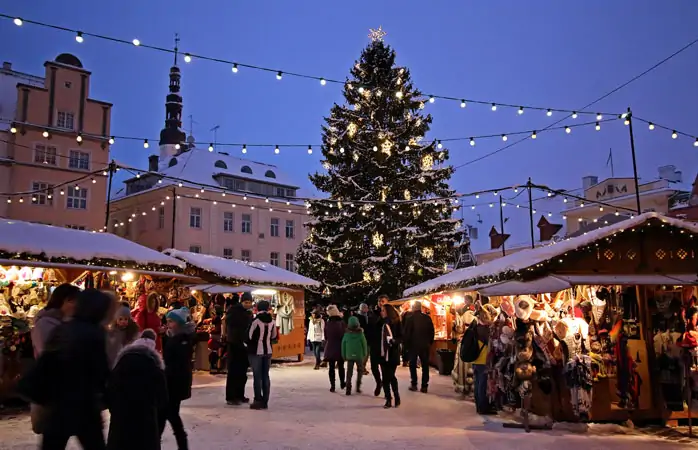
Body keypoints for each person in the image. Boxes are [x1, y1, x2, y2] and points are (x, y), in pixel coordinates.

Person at [19, 289, 114, 450]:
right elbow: (100, 371)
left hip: (57, 403)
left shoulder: (63, 328)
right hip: (84, 404)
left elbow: (46, 361)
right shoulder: (95, 332)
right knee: (94, 444)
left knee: (53, 444)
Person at [107, 329, 168, 450]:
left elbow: (109, 393)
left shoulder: (120, 364)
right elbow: (163, 401)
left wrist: (116, 412)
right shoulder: (155, 367)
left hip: (120, 427)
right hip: (146, 428)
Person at [161, 307, 195, 450]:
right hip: (171, 381)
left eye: (171, 321)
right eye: (167, 321)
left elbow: (177, 362)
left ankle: (182, 444)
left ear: (179, 323)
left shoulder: (182, 339)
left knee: (170, 414)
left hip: (176, 382)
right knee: (165, 414)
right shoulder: (173, 337)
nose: (168, 324)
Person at [31, 283, 80, 357]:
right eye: (72, 301)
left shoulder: (70, 321)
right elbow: (47, 354)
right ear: (61, 301)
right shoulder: (44, 323)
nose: (76, 305)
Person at [247, 300, 278, 410]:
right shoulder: (272, 321)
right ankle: (265, 401)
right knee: (266, 376)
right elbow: (274, 336)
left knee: (257, 376)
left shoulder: (255, 321)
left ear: (257, 308)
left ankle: (257, 400)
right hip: (268, 351)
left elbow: (249, 336)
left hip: (256, 352)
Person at [225, 293, 253, 405]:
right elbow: (232, 325)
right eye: (246, 302)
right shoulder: (234, 312)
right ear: (241, 302)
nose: (248, 304)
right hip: (234, 345)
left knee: (242, 372)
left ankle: (240, 395)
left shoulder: (246, 313)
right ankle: (231, 397)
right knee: (234, 372)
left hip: (243, 346)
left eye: (249, 303)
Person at [403, 301, 435, 393]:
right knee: (425, 365)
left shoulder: (410, 318)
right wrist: (430, 342)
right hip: (425, 345)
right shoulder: (427, 318)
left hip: (413, 345)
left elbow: (407, 333)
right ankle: (424, 386)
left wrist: (406, 345)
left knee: (412, 364)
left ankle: (414, 384)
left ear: (413, 308)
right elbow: (432, 331)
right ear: (420, 308)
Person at [379, 304, 402, 408]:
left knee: (390, 376)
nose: (381, 312)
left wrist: (394, 341)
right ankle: (388, 398)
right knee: (385, 377)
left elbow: (401, 337)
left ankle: (396, 396)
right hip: (383, 353)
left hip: (392, 353)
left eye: (383, 310)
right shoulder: (381, 322)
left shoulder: (397, 323)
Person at [106, 303, 140, 368]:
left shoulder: (132, 331)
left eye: (126, 319)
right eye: (120, 319)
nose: (123, 321)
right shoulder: (112, 331)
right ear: (116, 320)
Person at [342, 316, 367, 395]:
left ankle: (348, 388)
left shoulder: (346, 334)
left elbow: (343, 345)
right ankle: (358, 386)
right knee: (360, 370)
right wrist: (364, 354)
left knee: (349, 372)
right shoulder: (361, 334)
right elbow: (364, 344)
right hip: (359, 356)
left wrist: (344, 355)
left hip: (349, 356)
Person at [472, 311, 492, 414]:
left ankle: (478, 405)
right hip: (483, 359)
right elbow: (490, 343)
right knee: (482, 384)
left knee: (477, 383)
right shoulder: (485, 330)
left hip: (475, 359)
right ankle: (482, 407)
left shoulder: (475, 328)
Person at [323, 305, 346, 393]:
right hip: (340, 346)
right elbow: (343, 333)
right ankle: (342, 383)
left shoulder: (328, 323)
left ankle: (332, 385)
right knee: (341, 366)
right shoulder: (341, 322)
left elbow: (326, 335)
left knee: (331, 367)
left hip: (331, 346)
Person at [365, 300, 384, 397]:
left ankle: (386, 389)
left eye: (383, 301)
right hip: (374, 345)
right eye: (380, 301)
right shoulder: (372, 316)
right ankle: (379, 382)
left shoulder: (388, 317)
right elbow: (369, 330)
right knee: (374, 367)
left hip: (385, 346)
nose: (381, 303)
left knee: (385, 368)